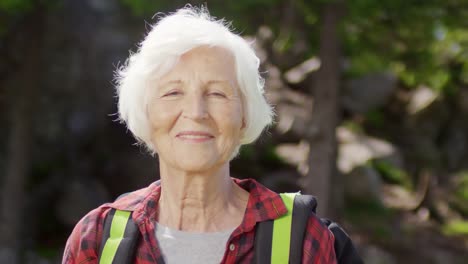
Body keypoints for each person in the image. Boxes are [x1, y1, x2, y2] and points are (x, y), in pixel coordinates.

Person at [63, 6, 339, 264]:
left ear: (245, 114)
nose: (196, 112)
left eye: (217, 93)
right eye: (173, 93)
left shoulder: (302, 240)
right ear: (145, 111)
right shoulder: (97, 238)